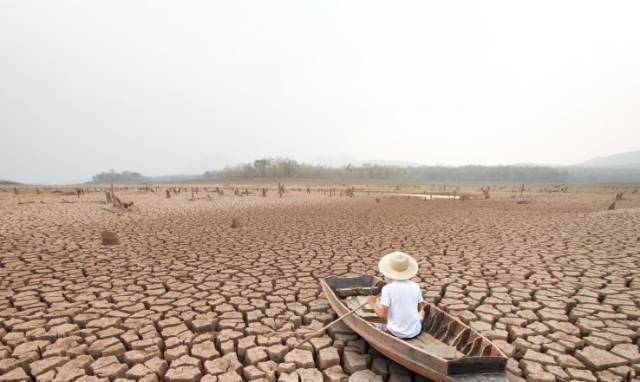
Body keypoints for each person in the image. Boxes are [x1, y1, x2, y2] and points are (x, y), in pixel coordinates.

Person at [367, 251, 423, 339]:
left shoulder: (388, 288)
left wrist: (372, 303)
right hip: (415, 331)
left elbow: (383, 315)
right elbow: (419, 309)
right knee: (423, 311)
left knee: (372, 323)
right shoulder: (416, 286)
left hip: (395, 332)